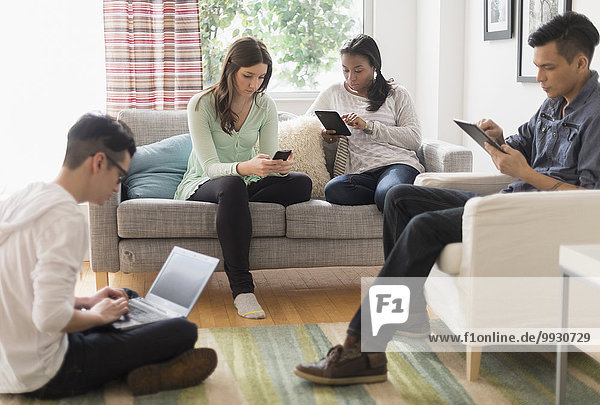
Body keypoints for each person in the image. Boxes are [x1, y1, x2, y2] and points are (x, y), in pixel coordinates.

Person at [295, 11, 600, 385]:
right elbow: (520, 146)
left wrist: (524, 173)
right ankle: (409, 314)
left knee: (424, 226)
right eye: (536, 67)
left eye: (548, 68)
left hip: (537, 218)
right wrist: (498, 139)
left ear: (581, 62)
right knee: (402, 197)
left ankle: (363, 347)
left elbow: (589, 199)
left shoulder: (595, 115)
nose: (538, 77)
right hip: (513, 199)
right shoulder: (553, 102)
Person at [0, 114, 217, 398]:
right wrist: (95, 317)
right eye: (119, 176)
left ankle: (136, 357)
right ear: (99, 162)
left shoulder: (23, 196)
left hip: (9, 363)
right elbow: (50, 319)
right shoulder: (65, 219)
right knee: (181, 331)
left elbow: (21, 287)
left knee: (124, 297)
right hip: (46, 372)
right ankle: (145, 369)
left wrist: (88, 302)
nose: (117, 188)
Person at [174, 37, 312, 319]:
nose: (254, 84)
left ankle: (234, 205)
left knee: (301, 183)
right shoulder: (201, 104)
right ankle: (242, 290)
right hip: (205, 181)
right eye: (248, 76)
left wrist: (278, 166)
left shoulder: (265, 106)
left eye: (261, 77)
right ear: (230, 70)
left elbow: (268, 154)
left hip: (244, 182)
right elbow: (211, 167)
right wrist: (245, 168)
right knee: (232, 184)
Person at [307, 34, 423, 212]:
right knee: (333, 189)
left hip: (396, 164)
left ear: (374, 66)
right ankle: (392, 196)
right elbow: (306, 124)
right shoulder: (333, 92)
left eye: (358, 70)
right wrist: (325, 135)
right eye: (345, 70)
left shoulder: (397, 93)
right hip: (360, 173)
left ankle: (390, 193)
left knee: (388, 192)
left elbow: (414, 139)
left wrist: (368, 126)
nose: (350, 77)